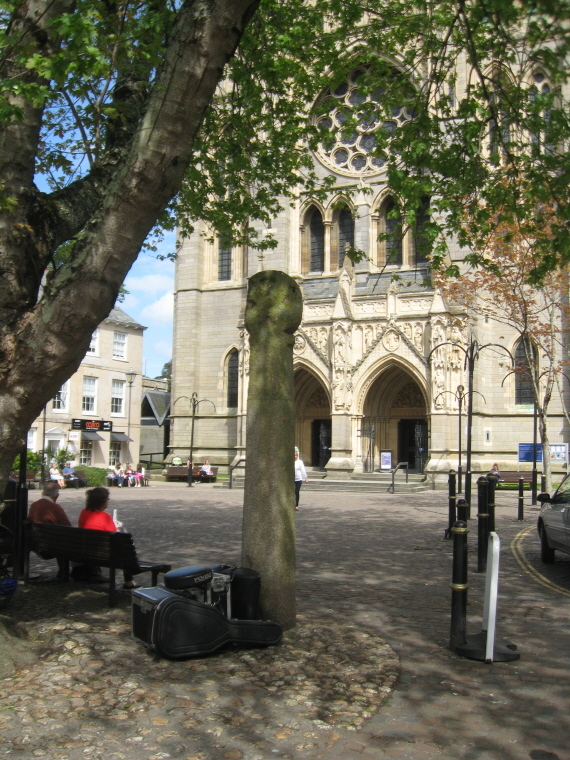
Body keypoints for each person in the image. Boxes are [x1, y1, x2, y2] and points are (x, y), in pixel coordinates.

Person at [78, 487, 136, 589]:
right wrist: (118, 527)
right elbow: (116, 536)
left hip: (86, 551)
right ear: (103, 502)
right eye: (107, 499)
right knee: (126, 550)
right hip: (104, 554)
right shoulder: (105, 516)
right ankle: (129, 582)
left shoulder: (84, 512)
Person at [28, 482, 71, 578]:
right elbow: (68, 527)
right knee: (64, 539)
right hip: (52, 546)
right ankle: (64, 571)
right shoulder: (56, 508)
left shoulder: (34, 505)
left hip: (35, 544)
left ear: (42, 493)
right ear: (57, 495)